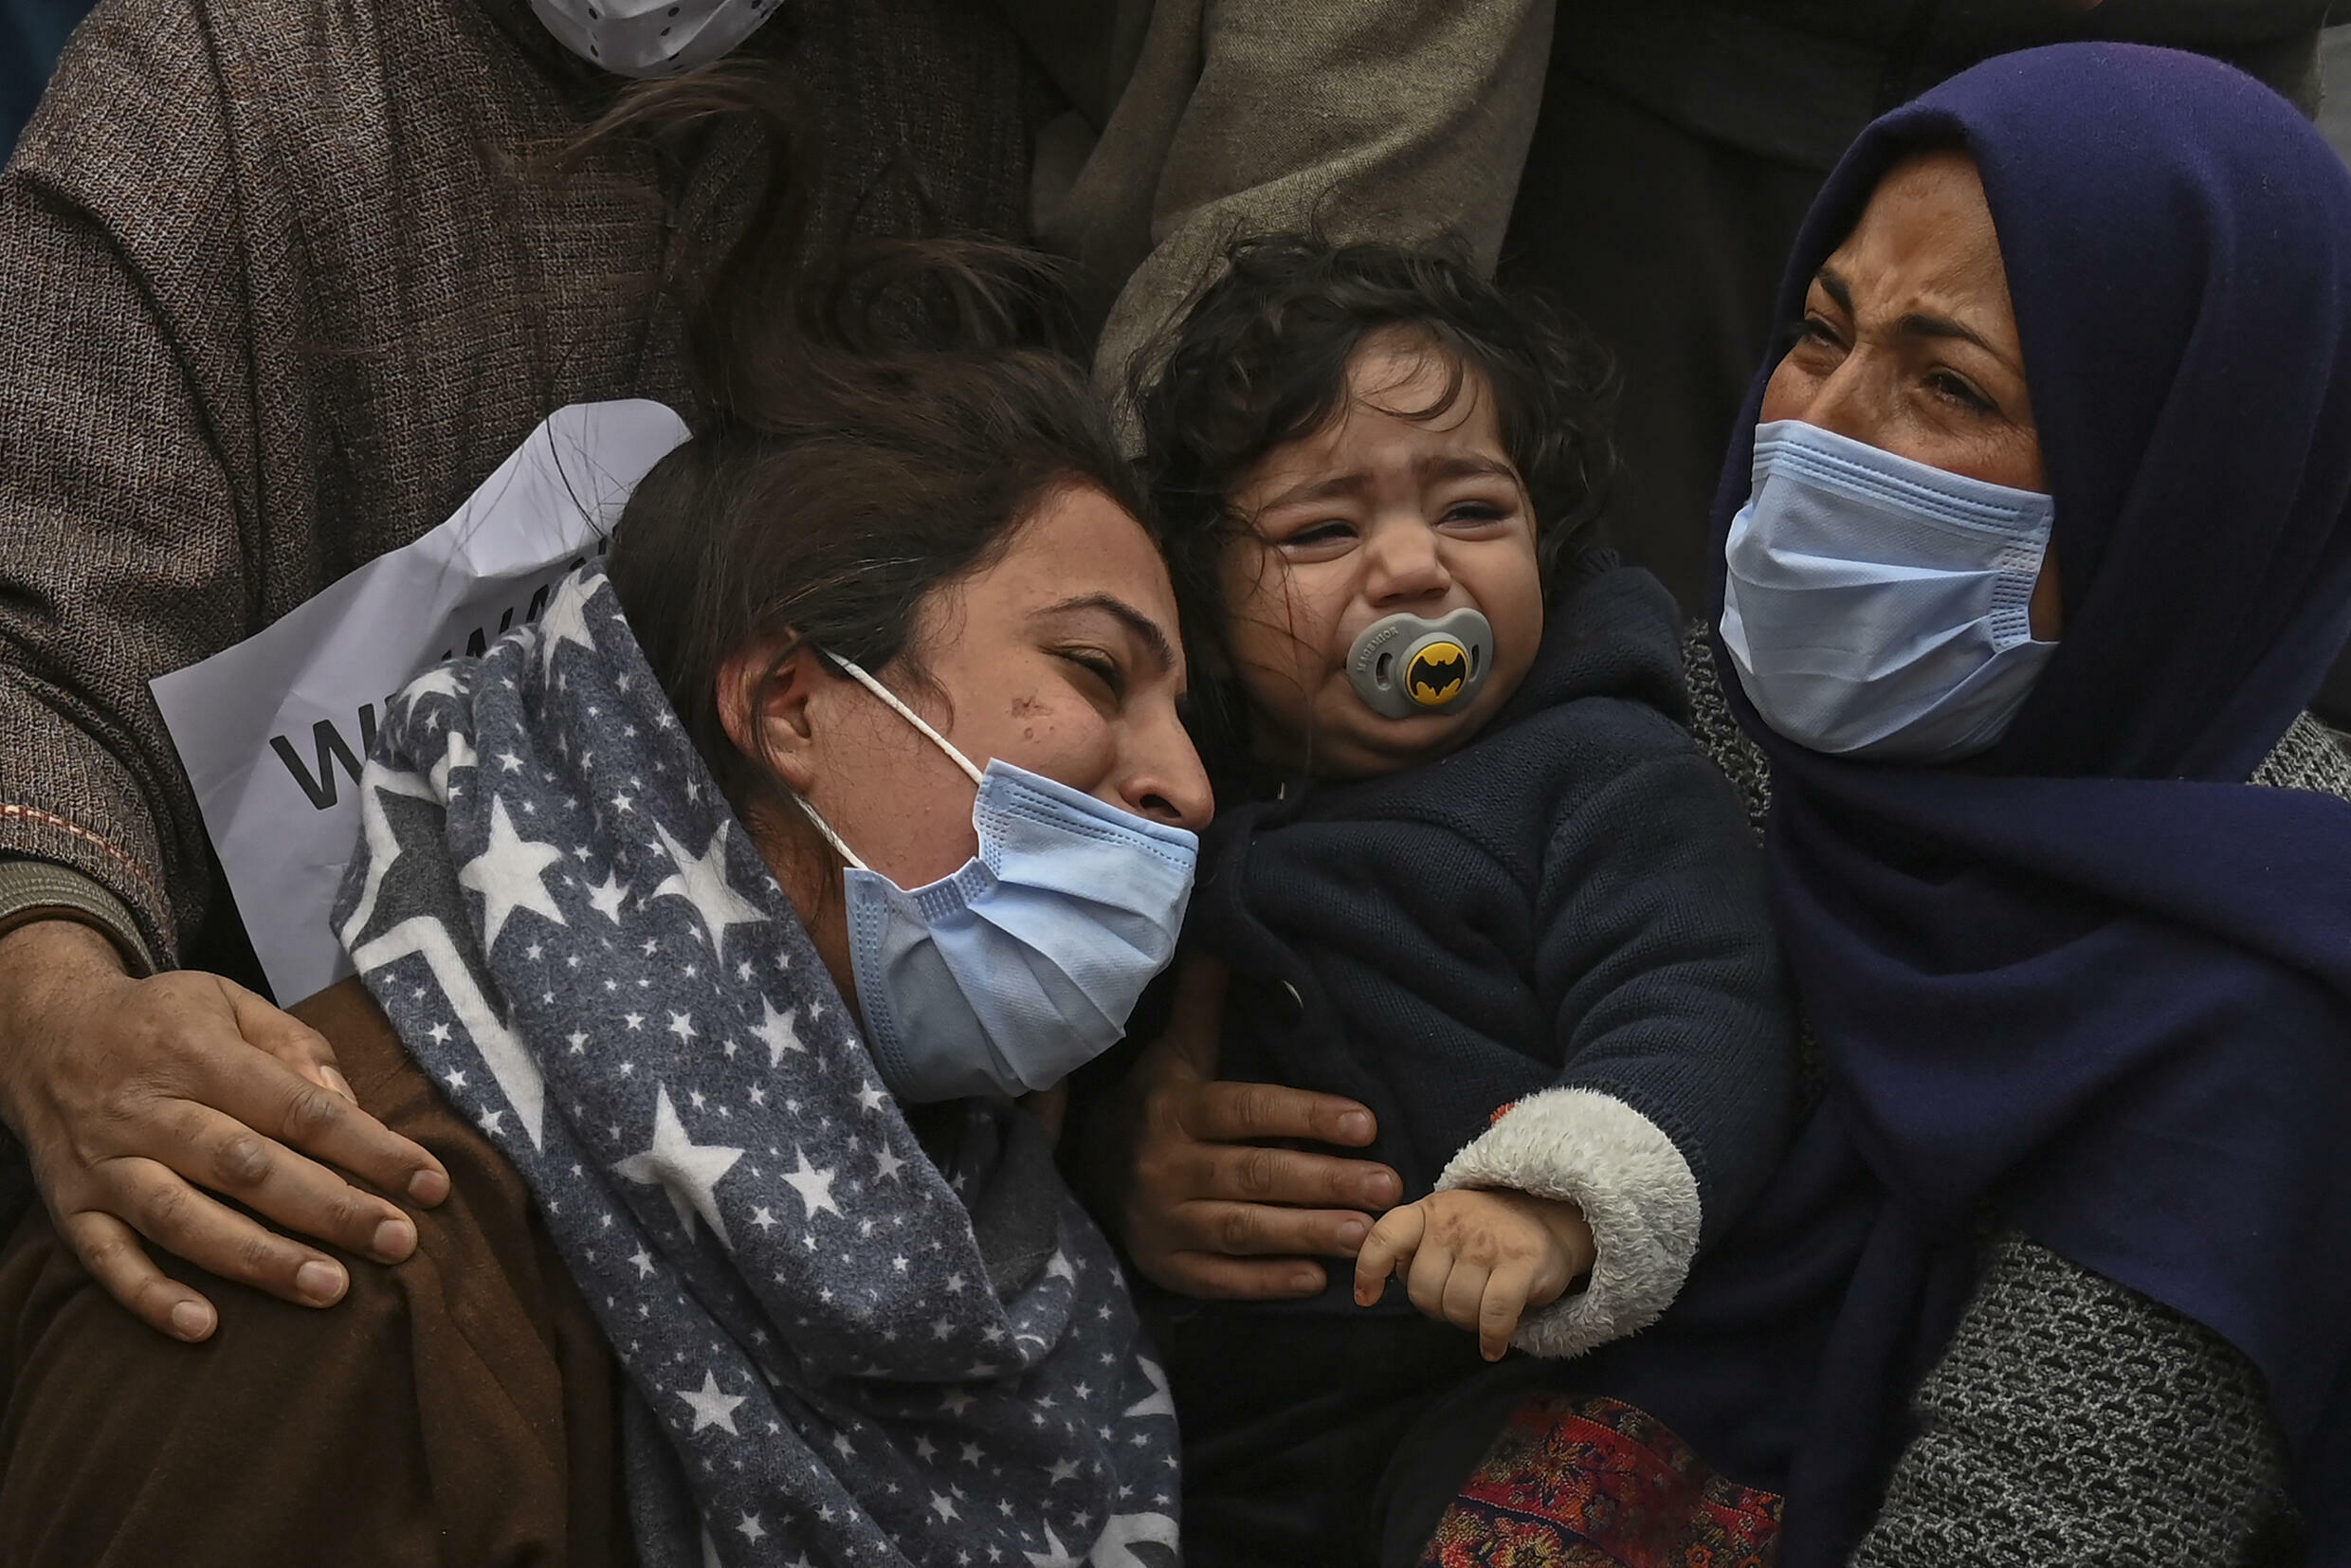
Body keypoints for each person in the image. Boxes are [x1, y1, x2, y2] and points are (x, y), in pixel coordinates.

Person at [0, 239, 1212, 1563]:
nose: (1191, 789)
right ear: (792, 705)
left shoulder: (1010, 1245)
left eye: (1183, 713)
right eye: (1098, 669)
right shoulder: (327, 1229)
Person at [1340, 44, 2351, 1566]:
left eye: (1951, 385)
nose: (1817, 430)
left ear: (2180, 488)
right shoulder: (1713, 734)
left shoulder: (2249, 1010)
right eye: (1820, 331)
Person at [1116, 233, 1794, 1564]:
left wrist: (1554, 1201)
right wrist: (1124, 1167)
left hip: (1497, 1386)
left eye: (1475, 510)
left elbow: (1703, 1002)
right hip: (1232, 1417)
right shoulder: (1180, 788)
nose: (1418, 568)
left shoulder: (1601, 770)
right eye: (1323, 529)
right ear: (1201, 589)